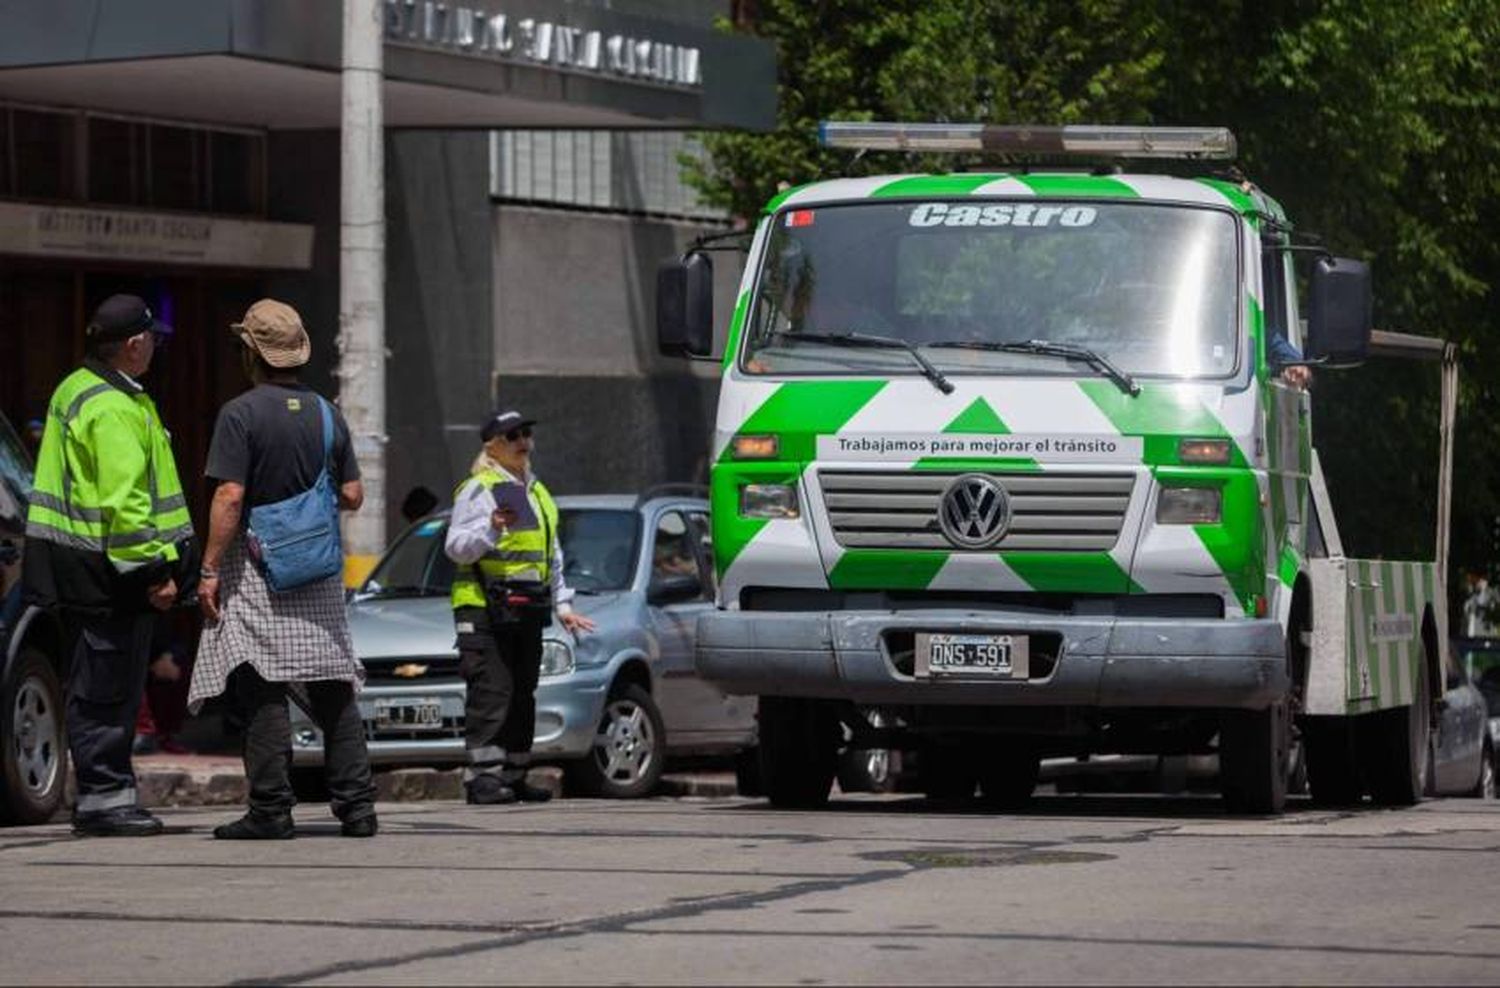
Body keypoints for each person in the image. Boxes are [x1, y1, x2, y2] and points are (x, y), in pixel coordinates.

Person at [189, 298, 377, 839]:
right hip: (316, 572)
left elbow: (229, 495)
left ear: (251, 352)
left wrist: (207, 570)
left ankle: (271, 809)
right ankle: (358, 806)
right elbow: (353, 493)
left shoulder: (240, 414)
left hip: (256, 570)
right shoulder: (326, 413)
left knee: (260, 682)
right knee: (333, 685)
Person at [22, 293, 194, 837]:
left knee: (100, 683)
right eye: (153, 341)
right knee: (107, 688)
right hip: (110, 572)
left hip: (84, 567)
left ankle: (104, 795)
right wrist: (155, 574)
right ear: (135, 344)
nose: (155, 350)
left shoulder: (78, 389)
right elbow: (125, 503)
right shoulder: (114, 406)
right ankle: (104, 799)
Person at [444, 409, 595, 804]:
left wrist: (563, 605)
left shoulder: (536, 490)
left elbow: (551, 554)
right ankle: (483, 779)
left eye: (527, 433)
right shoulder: (479, 488)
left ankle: (513, 773)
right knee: (492, 692)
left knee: (522, 692)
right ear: (492, 445)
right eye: (513, 436)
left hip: (525, 606)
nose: (523, 441)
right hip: (482, 607)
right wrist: (492, 526)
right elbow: (455, 547)